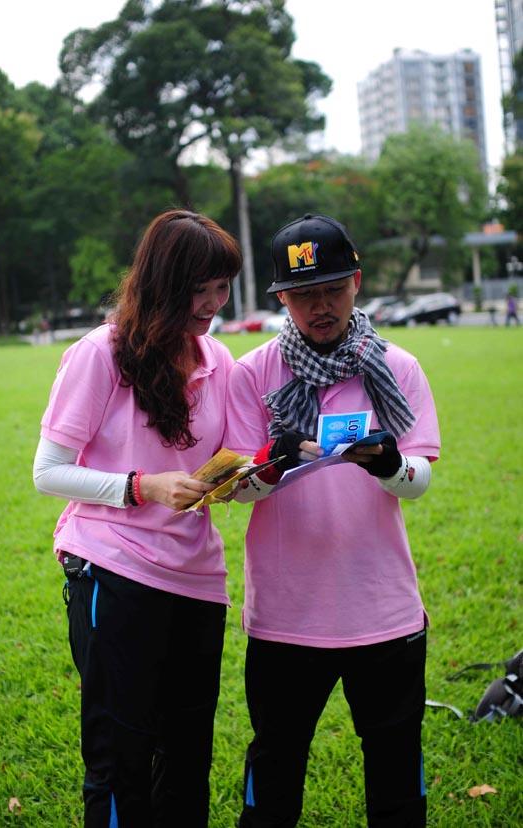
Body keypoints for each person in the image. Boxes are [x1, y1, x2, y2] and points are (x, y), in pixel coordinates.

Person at [225, 213, 441, 827]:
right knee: (274, 772)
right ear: (282, 299)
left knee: (396, 778)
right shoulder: (254, 373)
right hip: (286, 615)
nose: (320, 307)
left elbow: (420, 479)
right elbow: (237, 492)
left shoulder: (397, 367)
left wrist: (389, 465)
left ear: (357, 283)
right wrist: (270, 462)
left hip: (383, 609)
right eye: (303, 295)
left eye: (333, 289)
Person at [33, 209, 242, 827]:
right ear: (162, 284)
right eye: (199, 289)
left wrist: (245, 478)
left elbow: (225, 463)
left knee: (187, 756)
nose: (213, 304)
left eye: (222, 287)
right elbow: (48, 471)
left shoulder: (218, 360)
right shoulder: (100, 354)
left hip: (196, 579)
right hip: (114, 570)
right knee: (119, 756)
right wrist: (142, 486)